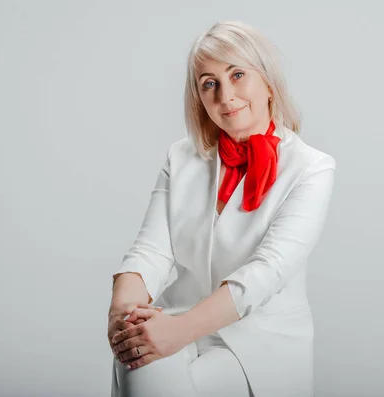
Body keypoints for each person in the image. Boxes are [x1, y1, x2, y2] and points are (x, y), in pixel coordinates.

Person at [107, 20, 336, 397]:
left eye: (238, 74)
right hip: (178, 321)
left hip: (260, 344)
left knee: (145, 362)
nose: (225, 95)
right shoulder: (181, 156)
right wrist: (122, 315)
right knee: (136, 353)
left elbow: (265, 274)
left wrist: (174, 334)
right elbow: (150, 250)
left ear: (267, 81)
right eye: (209, 83)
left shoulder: (312, 168)